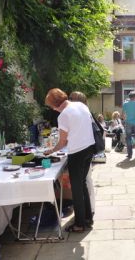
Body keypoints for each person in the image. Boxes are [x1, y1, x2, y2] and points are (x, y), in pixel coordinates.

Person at [45, 88, 95, 232]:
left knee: (77, 188)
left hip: (77, 152)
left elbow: (62, 142)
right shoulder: (81, 105)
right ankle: (87, 218)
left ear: (54, 104)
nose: (52, 109)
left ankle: (79, 224)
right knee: (82, 184)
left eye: (51, 106)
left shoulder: (63, 115)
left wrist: (51, 151)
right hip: (89, 148)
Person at [69, 91, 96, 216]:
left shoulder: (81, 112)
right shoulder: (85, 111)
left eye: (71, 98)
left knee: (85, 182)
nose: (69, 101)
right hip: (87, 149)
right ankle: (88, 212)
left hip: (82, 150)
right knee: (85, 181)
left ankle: (87, 212)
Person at [122, 91, 135, 159]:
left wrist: (126, 119)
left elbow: (123, 115)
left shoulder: (125, 104)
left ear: (129, 97)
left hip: (128, 123)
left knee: (128, 139)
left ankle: (129, 154)